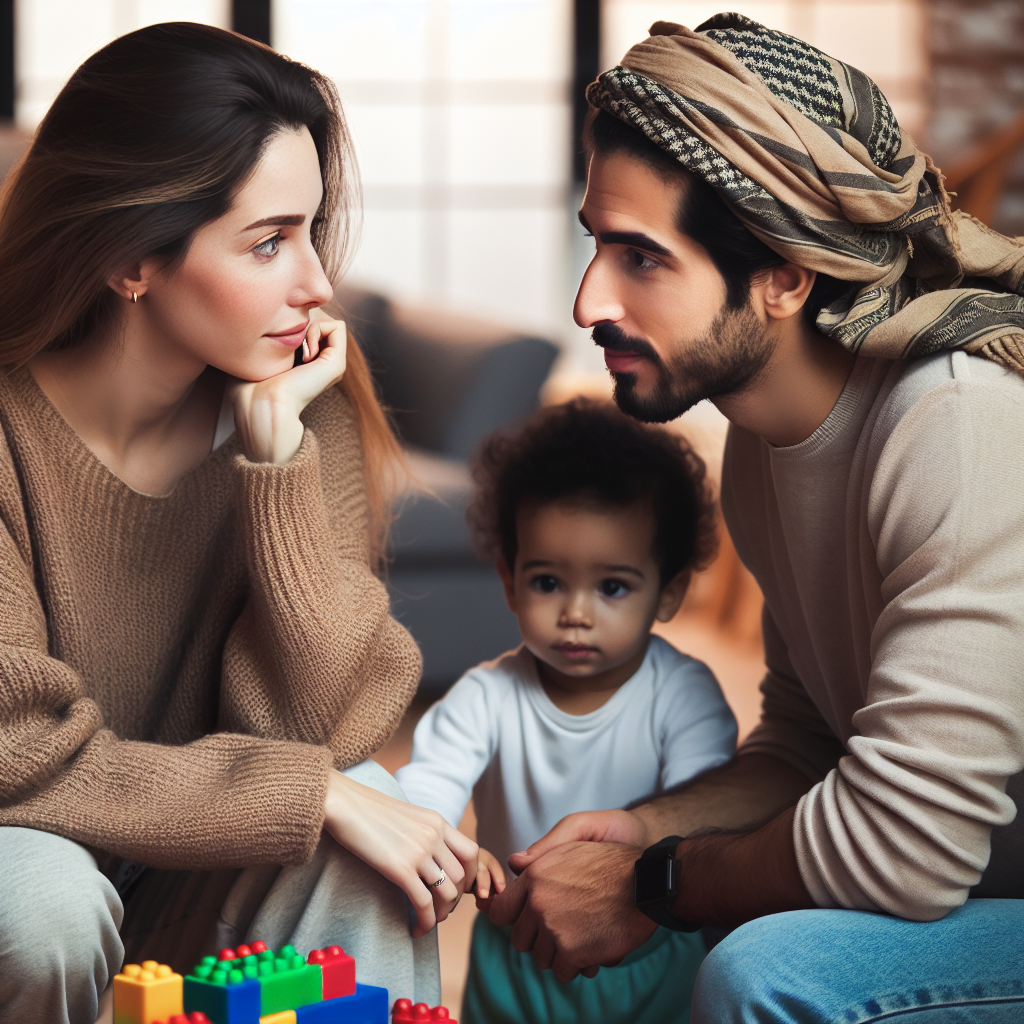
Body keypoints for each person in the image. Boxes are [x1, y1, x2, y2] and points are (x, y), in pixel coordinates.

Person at [486, 14, 1024, 1022]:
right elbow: (808, 741)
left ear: (783, 274)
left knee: (764, 963)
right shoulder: (759, 445)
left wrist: (659, 884)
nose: (587, 299)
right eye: (595, 243)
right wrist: (641, 831)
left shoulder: (953, 421)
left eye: (640, 257)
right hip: (976, 888)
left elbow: (907, 846)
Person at [0, 23, 477, 1024]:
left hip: (193, 877)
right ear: (133, 260)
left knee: (366, 840)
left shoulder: (299, 407)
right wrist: (318, 793)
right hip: (29, 860)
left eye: (310, 230)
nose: (315, 283)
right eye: (268, 241)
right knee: (40, 897)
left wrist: (276, 467)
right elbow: (17, 757)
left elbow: (327, 728)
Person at [396, 399, 737, 1024]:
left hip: (650, 950)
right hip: (516, 953)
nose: (575, 612)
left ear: (669, 592)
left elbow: (707, 809)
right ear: (508, 580)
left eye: (612, 587)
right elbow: (429, 782)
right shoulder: (486, 695)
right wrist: (443, 846)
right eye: (548, 582)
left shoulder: (683, 695)